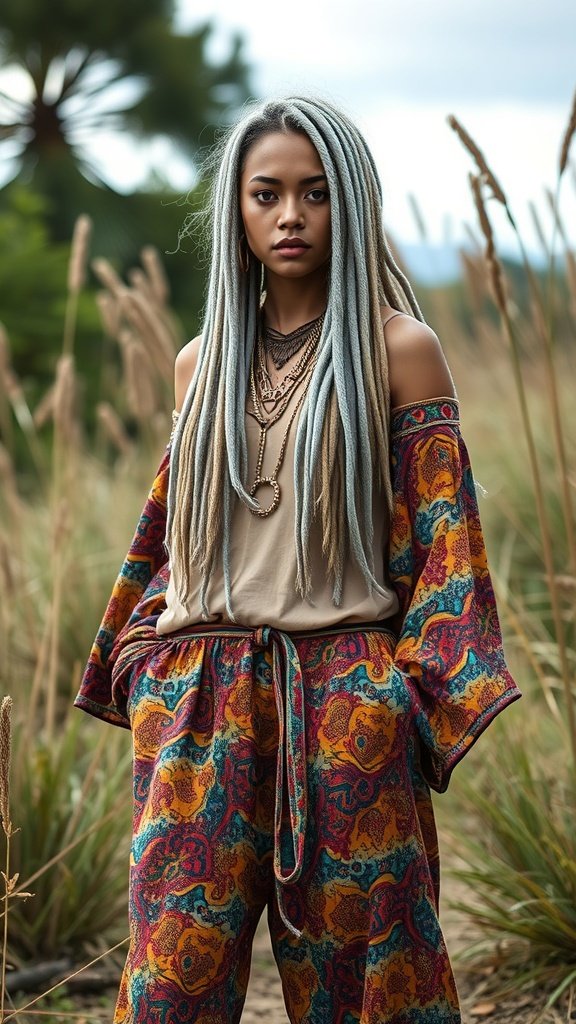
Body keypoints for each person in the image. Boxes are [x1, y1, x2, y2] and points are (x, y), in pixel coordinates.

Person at [75, 96, 520, 1024]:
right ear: (237, 209)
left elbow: (448, 545)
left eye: (315, 194)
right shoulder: (200, 363)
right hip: (197, 706)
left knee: (373, 994)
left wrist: (399, 702)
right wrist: (147, 663)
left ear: (350, 203)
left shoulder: (401, 352)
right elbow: (174, 535)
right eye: (266, 193)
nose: (290, 216)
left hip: (344, 703)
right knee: (167, 991)